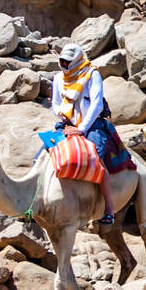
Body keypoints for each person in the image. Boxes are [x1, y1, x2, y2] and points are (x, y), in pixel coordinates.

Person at [51, 43, 116, 230]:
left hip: (91, 123)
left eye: (67, 61)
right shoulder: (58, 78)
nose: (63, 64)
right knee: (44, 151)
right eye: (61, 60)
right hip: (67, 123)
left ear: (77, 61)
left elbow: (96, 104)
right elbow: (55, 103)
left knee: (96, 157)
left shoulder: (91, 74)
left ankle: (109, 208)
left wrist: (81, 128)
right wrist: (65, 115)